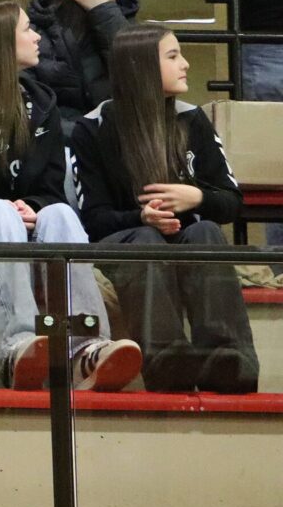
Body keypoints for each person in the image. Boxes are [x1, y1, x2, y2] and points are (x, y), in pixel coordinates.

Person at [0, 0, 140, 390]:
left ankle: (86, 347)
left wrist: (33, 207)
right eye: (27, 29)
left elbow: (50, 192)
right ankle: (17, 346)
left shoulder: (43, 104)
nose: (37, 37)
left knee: (60, 215)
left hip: (19, 237)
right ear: (1, 42)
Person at [70, 24, 259, 393]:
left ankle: (228, 357)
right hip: (125, 244)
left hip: (187, 240)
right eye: (173, 56)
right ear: (140, 67)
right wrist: (141, 217)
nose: (185, 64)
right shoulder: (92, 128)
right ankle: (167, 359)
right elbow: (93, 220)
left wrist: (197, 198)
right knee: (145, 238)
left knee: (205, 230)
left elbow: (231, 203)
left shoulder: (192, 119)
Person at [26, 0, 137, 131]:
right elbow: (29, 101)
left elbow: (139, 75)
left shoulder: (122, 21)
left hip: (115, 135)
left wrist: (104, 11)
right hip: (59, 138)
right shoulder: (37, 28)